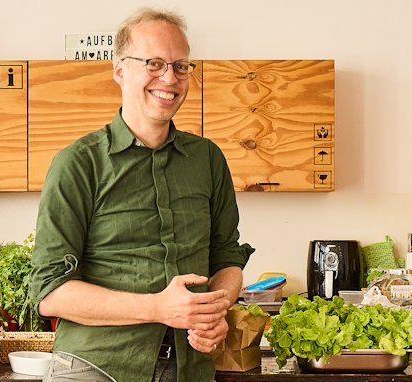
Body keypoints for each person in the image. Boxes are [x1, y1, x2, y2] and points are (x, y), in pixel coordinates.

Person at [29, 7, 255, 382]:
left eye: (181, 66)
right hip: (97, 368)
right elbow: (51, 292)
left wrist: (215, 310)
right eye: (154, 63)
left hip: (190, 369)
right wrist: (158, 308)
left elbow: (226, 258)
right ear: (120, 70)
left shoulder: (208, 159)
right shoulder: (78, 164)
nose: (170, 78)